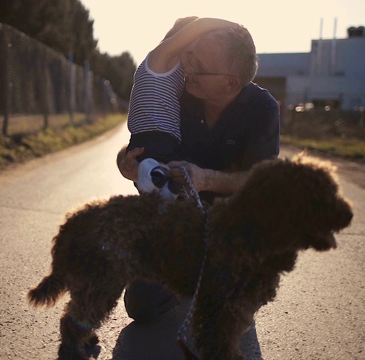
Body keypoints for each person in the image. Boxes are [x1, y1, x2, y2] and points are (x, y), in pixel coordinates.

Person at [117, 22, 281, 323]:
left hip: (230, 221)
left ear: (230, 83)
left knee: (229, 307)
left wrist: (206, 178)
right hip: (178, 217)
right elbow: (146, 140)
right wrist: (125, 162)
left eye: (199, 66)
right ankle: (189, 273)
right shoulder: (179, 88)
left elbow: (263, 182)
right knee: (142, 305)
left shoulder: (262, 109)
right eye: (190, 57)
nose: (187, 67)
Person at [126, 17, 240, 199]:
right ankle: (159, 186)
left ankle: (160, 187)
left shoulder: (176, 67)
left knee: (171, 179)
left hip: (158, 138)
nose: (197, 54)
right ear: (183, 38)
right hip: (156, 136)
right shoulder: (163, 57)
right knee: (169, 180)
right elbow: (199, 25)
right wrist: (233, 26)